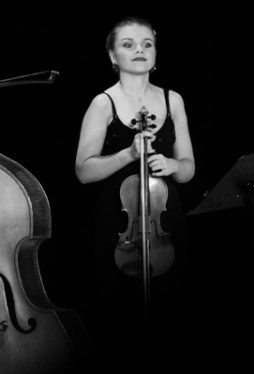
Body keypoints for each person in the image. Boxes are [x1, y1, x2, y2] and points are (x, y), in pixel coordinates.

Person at [74, 17, 197, 327]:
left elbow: (188, 169)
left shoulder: (173, 100)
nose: (140, 50)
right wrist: (128, 154)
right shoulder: (103, 104)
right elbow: (83, 171)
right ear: (113, 56)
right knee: (121, 311)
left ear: (155, 53)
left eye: (147, 44)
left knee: (172, 308)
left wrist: (172, 165)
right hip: (118, 222)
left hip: (166, 221)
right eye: (128, 45)